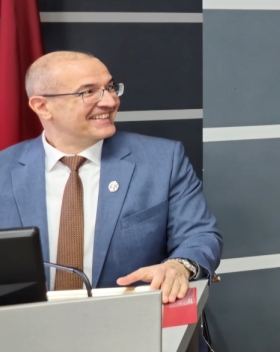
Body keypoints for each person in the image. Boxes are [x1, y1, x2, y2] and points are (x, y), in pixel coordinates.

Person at [0, 51, 222, 303]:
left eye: (110, 87)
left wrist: (179, 266)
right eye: (88, 92)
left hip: (137, 318)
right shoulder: (4, 169)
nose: (110, 101)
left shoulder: (163, 160)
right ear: (42, 106)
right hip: (25, 323)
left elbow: (200, 235)